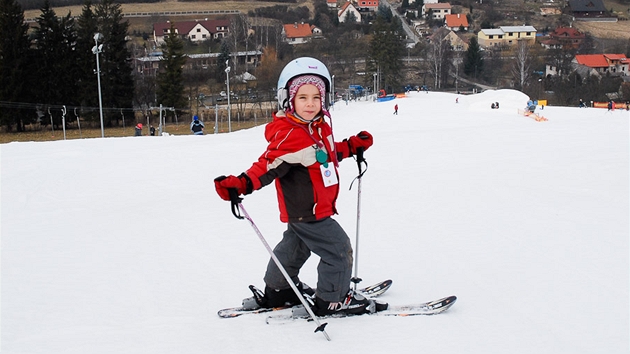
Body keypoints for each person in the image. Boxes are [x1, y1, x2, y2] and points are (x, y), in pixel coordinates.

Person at [214, 57, 385, 317]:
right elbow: (267, 166)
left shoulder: (317, 127)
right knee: (338, 250)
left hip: (306, 210)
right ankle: (332, 300)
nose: (310, 103)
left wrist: (350, 147)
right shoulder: (289, 134)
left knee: (295, 247)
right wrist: (241, 184)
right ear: (288, 99)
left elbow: (323, 155)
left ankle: (279, 290)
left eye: (316, 97)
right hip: (311, 211)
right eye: (303, 97)